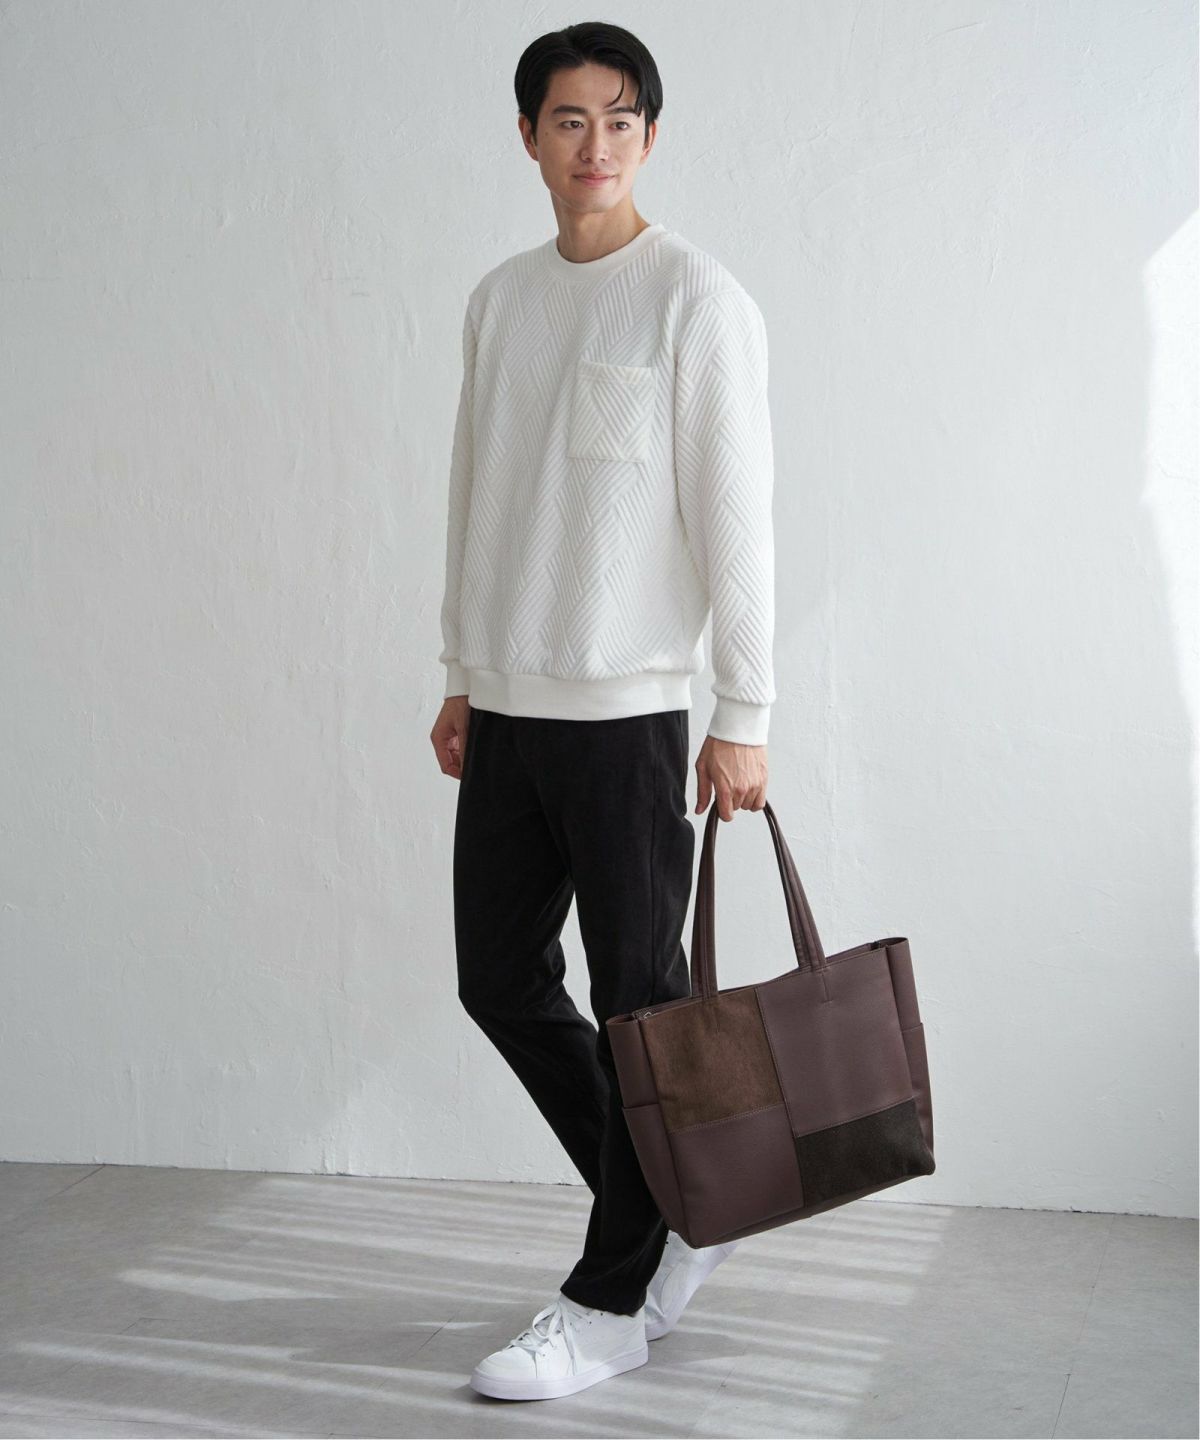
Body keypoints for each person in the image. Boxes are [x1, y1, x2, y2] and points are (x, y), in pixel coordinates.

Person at [428, 20, 777, 1402]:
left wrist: (744, 709)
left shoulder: (696, 298)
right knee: (499, 978)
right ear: (528, 136)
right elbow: (477, 493)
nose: (596, 146)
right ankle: (682, 1207)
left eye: (620, 120)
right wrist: (462, 673)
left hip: (632, 716)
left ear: (651, 136)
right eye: (569, 120)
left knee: (643, 1009)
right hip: (510, 706)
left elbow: (738, 520)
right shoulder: (501, 300)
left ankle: (610, 1298)